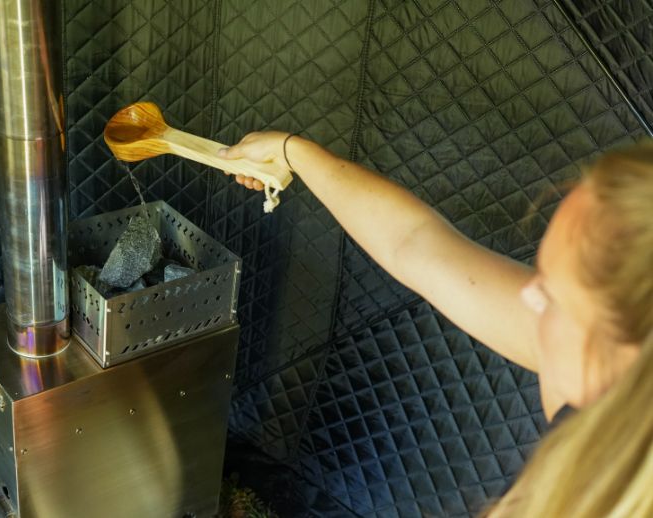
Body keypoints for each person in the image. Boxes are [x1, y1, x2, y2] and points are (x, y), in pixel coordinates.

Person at [218, 133, 653, 517]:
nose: (528, 298)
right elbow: (415, 244)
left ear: (630, 351)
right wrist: (292, 152)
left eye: (553, 296)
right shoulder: (609, 386)